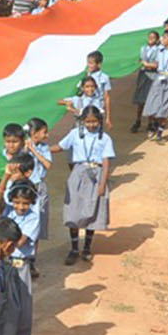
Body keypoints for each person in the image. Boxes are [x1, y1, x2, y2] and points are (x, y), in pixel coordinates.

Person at [0, 183, 39, 335]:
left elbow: (15, 243)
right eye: (17, 202)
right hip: (2, 268)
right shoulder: (7, 211)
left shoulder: (33, 218)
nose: (21, 207)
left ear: (31, 203)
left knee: (19, 319)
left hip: (19, 269)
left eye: (25, 203)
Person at [60, 106, 115, 263]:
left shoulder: (104, 138)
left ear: (99, 121)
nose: (91, 125)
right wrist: (40, 149)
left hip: (96, 176)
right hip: (78, 174)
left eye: (94, 121)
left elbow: (105, 163)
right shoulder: (75, 134)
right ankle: (74, 248)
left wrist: (102, 185)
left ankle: (87, 248)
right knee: (74, 211)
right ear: (82, 121)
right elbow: (61, 146)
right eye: (88, 121)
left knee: (92, 211)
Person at [23, 119, 54, 277]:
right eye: (44, 132)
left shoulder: (44, 148)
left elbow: (47, 165)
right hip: (24, 188)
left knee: (37, 224)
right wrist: (26, 149)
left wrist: (34, 151)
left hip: (39, 188)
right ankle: (22, 259)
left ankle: (32, 261)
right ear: (34, 133)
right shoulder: (22, 147)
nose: (47, 135)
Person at [142, 28, 168, 140]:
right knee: (153, 102)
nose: (162, 39)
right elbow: (157, 64)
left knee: (165, 106)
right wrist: (147, 64)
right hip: (159, 77)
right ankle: (152, 126)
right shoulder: (160, 51)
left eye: (165, 38)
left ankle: (160, 132)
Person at [130, 30, 161, 134]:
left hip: (152, 76)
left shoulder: (158, 50)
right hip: (143, 76)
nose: (150, 39)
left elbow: (157, 64)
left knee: (150, 100)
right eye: (149, 37)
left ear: (157, 40)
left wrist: (146, 64)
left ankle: (150, 122)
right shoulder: (143, 48)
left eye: (153, 38)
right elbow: (138, 60)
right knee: (140, 100)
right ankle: (138, 120)